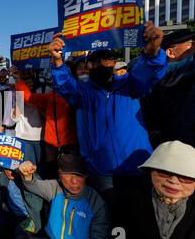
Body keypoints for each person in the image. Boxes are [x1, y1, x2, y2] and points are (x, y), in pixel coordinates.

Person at [49, 21, 167, 202]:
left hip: (138, 168)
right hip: (101, 173)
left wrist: (152, 53)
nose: (101, 64)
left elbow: (151, 70)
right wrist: (58, 62)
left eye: (107, 58)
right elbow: (64, 84)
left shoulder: (131, 85)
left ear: (114, 62)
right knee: (109, 222)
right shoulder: (83, 92)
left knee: (140, 223)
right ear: (88, 66)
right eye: (95, 61)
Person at [15, 154, 111, 239]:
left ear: (86, 176)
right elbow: (34, 186)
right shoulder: (56, 187)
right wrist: (28, 177)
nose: (74, 181)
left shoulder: (96, 203)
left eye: (79, 176)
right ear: (60, 175)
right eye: (68, 175)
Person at [114, 141, 195, 239]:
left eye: (185, 177)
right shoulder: (128, 200)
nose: (173, 181)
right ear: (151, 171)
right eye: (165, 172)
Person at [14, 68, 78, 178]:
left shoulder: (79, 94)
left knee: (69, 175)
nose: (58, 81)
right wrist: (19, 81)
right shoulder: (51, 95)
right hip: (50, 144)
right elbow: (29, 98)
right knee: (49, 174)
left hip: (69, 144)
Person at [143, 29, 195, 148]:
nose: (193, 48)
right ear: (171, 52)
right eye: (191, 44)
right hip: (175, 149)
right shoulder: (163, 75)